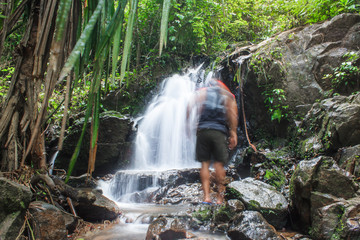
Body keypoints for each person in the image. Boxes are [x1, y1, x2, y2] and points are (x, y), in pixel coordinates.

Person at [188, 79, 238, 205]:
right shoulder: (225, 95)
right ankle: (220, 198)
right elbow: (232, 113)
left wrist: (188, 122)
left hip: (203, 130)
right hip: (219, 131)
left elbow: (190, 105)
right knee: (219, 165)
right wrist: (233, 132)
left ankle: (206, 197)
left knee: (204, 164)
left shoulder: (202, 93)